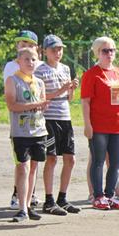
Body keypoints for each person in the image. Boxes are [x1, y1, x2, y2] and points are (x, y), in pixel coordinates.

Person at [81, 36, 119, 211]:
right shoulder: (92, 74)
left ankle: (110, 195)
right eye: (105, 50)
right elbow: (85, 101)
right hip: (98, 126)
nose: (109, 54)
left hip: (118, 125)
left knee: (116, 162)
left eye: (112, 50)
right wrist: (87, 124)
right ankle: (98, 196)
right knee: (98, 161)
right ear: (98, 52)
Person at [36, 35, 80, 216]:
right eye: (53, 49)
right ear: (45, 51)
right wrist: (61, 90)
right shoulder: (40, 70)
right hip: (49, 119)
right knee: (51, 158)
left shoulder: (65, 69)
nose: (58, 53)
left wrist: (71, 90)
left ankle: (63, 197)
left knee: (70, 158)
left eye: (60, 49)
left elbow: (69, 99)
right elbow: (40, 97)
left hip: (65, 117)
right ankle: (49, 199)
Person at [5, 48, 49, 222]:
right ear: (19, 61)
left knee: (34, 168)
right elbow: (12, 105)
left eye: (33, 59)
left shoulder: (39, 82)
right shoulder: (12, 80)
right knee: (23, 166)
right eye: (26, 59)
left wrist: (41, 105)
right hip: (20, 131)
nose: (30, 63)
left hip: (38, 130)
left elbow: (42, 103)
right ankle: (21, 206)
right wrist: (35, 104)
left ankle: (29, 204)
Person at [4, 30, 40, 209]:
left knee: (34, 163)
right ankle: (17, 196)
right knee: (21, 163)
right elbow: (13, 98)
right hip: (20, 124)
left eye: (28, 43)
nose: (24, 46)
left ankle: (30, 195)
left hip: (37, 123)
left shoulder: (37, 67)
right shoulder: (12, 67)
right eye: (21, 43)